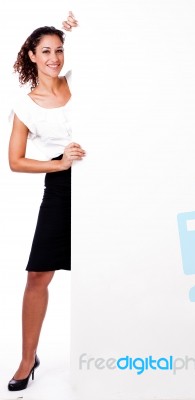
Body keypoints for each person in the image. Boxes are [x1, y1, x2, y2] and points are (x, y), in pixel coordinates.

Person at [7, 12, 83, 391]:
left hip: (106, 184)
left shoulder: (81, 81)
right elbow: (15, 161)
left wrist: (79, 22)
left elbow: (118, 49)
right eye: (46, 51)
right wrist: (59, 163)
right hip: (61, 186)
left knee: (101, 269)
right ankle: (26, 359)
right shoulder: (26, 105)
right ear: (32, 56)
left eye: (60, 49)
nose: (55, 57)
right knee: (38, 275)